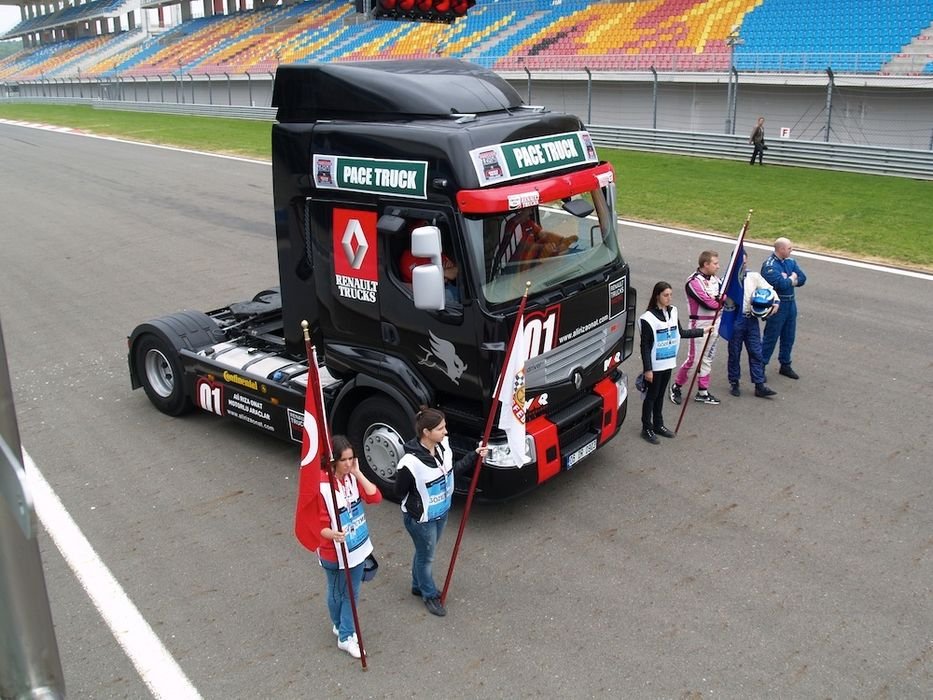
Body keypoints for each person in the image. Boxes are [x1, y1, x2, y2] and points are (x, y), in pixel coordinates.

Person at [395, 407, 487, 617]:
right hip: (422, 519)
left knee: (423, 553)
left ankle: (417, 584)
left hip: (441, 512)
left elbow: (451, 471)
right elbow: (399, 491)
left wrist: (474, 455)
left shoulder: (443, 446)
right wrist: (419, 502)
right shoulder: (409, 463)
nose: (445, 432)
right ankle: (429, 594)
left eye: (444, 427)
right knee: (427, 557)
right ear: (426, 432)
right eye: (440, 428)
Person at [317, 435, 382, 659]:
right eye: (344, 460)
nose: (348, 463)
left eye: (351, 458)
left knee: (351, 593)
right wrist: (331, 534)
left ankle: (345, 632)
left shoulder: (351, 477)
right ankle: (343, 632)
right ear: (332, 460)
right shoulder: (321, 485)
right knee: (336, 592)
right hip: (332, 550)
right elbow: (316, 524)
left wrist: (358, 473)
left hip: (357, 547)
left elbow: (375, 497)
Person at [639, 281, 708, 445]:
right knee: (651, 396)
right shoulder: (647, 318)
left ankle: (658, 424)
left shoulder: (673, 312)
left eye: (670, 295)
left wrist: (702, 331)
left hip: (668, 362)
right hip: (655, 365)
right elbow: (645, 346)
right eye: (665, 295)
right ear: (657, 296)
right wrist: (647, 369)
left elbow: (681, 333)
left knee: (660, 395)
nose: (669, 298)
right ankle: (646, 427)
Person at [670, 250, 722, 406]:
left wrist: (719, 300)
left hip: (716, 322)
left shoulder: (716, 280)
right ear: (706, 264)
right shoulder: (693, 282)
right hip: (699, 324)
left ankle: (703, 392)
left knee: (707, 358)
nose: (718, 266)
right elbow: (709, 303)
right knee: (694, 360)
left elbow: (725, 298)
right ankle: (676, 386)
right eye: (715, 263)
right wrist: (719, 300)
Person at [725, 256, 779, 398]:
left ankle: (759, 385)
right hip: (735, 319)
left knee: (756, 351)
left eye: (744, 260)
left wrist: (776, 302)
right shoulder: (728, 279)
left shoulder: (754, 276)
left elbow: (769, 289)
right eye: (739, 260)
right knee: (734, 352)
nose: (742, 263)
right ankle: (734, 382)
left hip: (752, 319)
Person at [760, 237, 807, 379]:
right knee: (771, 337)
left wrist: (790, 280)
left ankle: (785, 364)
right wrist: (791, 279)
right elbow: (779, 284)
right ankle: (760, 366)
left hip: (791, 304)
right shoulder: (769, 265)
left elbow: (803, 278)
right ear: (781, 249)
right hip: (777, 305)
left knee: (789, 336)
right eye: (789, 248)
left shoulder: (791, 262)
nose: (791, 250)